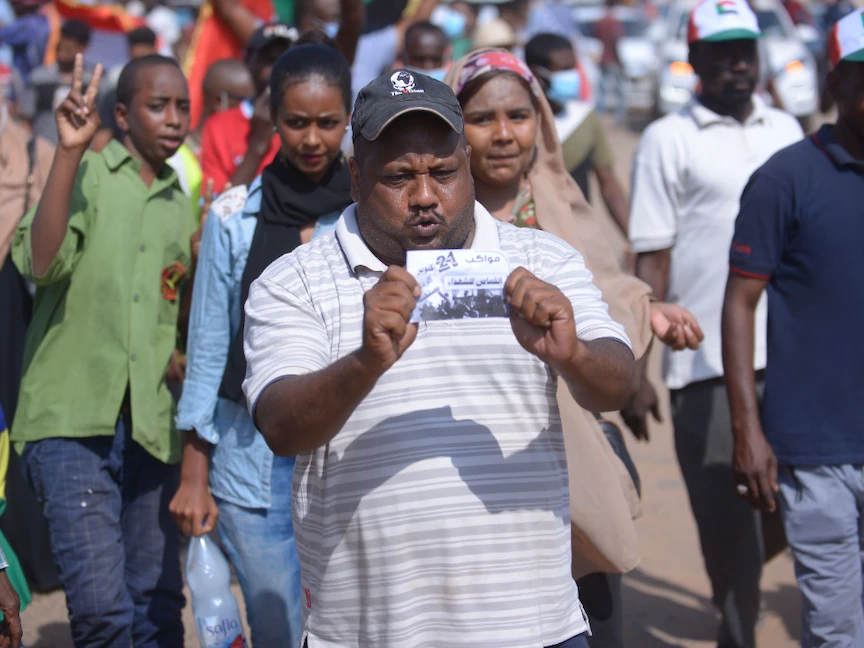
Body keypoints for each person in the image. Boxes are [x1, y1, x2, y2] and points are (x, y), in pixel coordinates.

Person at [243, 67, 641, 648]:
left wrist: (573, 353)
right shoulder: (293, 281)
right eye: (398, 176)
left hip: (534, 627)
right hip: (367, 632)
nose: (425, 197)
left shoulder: (542, 260)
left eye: (444, 173)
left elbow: (619, 384)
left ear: (469, 167)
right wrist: (365, 362)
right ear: (355, 177)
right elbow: (281, 427)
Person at [447, 49, 702, 648]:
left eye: (519, 116)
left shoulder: (559, 201)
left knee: (590, 602)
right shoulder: (434, 218)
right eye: (482, 118)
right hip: (474, 449)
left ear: (541, 122)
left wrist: (646, 310)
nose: (504, 134)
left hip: (573, 441)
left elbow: (605, 288)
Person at [625, 1, 804, 646]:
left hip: (793, 355)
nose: (738, 64)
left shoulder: (787, 129)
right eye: (722, 53)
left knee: (796, 503)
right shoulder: (667, 139)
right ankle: (737, 631)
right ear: (695, 60)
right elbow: (652, 255)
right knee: (727, 524)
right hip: (704, 364)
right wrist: (638, 368)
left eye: (745, 51)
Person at [171, 43, 354, 648]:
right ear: (272, 117)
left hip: (350, 455)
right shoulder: (232, 218)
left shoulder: (370, 217)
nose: (312, 139)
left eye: (328, 122)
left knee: (352, 622)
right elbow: (209, 347)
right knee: (278, 625)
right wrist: (194, 471)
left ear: (348, 120)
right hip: (252, 461)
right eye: (296, 122)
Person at [11, 53, 196, 647]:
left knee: (158, 603)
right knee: (102, 611)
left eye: (183, 106)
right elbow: (40, 263)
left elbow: (172, 308)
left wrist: (177, 348)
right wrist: (68, 153)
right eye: (157, 106)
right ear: (121, 115)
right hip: (71, 422)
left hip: (150, 427)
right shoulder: (85, 174)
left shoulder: (181, 202)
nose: (174, 119)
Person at [723, 10, 864, 646]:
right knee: (837, 630)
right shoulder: (785, 179)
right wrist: (748, 430)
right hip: (815, 451)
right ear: (835, 83)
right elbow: (739, 304)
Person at [525, 33, 629, 236]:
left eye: (572, 68)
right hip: (531, 234)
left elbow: (608, 182)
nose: (571, 76)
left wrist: (633, 238)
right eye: (562, 70)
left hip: (578, 234)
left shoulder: (584, 118)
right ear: (537, 75)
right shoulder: (519, 124)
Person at [200, 21, 298, 192]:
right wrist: (256, 147)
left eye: (290, 60)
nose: (280, 69)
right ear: (249, 62)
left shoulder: (314, 123)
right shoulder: (219, 126)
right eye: (270, 60)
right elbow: (220, 205)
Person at [19, 19, 93, 145]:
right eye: (61, 47)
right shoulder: (40, 78)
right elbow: (26, 119)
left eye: (69, 49)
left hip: (78, 152)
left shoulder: (91, 83)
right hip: (41, 150)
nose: (63, 53)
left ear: (83, 48)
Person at [0, 0, 50, 83]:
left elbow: (3, 36)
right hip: (42, 73)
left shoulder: (25, 25)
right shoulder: (44, 22)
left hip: (26, 78)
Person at [594, 0, 625, 125]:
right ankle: (619, 117)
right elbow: (615, 42)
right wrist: (620, 60)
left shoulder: (600, 22)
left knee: (602, 89)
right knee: (619, 89)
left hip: (603, 58)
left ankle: (600, 115)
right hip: (612, 59)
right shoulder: (613, 22)